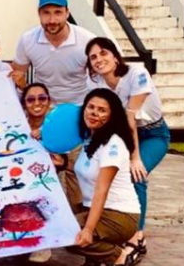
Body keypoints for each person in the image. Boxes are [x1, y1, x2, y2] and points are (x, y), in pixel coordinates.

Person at [86, 37, 168, 262]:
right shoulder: (97, 84)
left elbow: (129, 117)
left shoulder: (137, 73)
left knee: (136, 175)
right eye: (93, 57)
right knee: (104, 177)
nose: (99, 60)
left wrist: (135, 157)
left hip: (152, 134)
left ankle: (136, 237)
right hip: (122, 136)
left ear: (115, 55)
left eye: (103, 53)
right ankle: (113, 227)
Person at [70, 88, 141, 266]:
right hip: (95, 210)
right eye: (90, 107)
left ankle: (120, 258)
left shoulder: (112, 144)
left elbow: (102, 190)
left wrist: (88, 229)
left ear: (111, 116)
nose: (94, 113)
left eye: (102, 110)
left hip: (120, 214)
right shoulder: (89, 139)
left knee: (68, 233)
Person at [22, 83, 83, 263]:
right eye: (31, 99)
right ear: (24, 104)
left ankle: (43, 242)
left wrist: (60, 162)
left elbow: (68, 160)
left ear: (49, 101)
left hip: (51, 183)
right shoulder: (17, 125)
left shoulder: (60, 125)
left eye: (42, 98)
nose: (37, 103)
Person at [11, 0, 96, 106]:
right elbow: (17, 74)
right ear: (39, 14)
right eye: (46, 13)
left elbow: (101, 76)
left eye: (58, 12)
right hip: (42, 107)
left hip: (79, 106)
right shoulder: (27, 39)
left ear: (67, 13)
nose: (52, 20)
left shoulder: (88, 40)